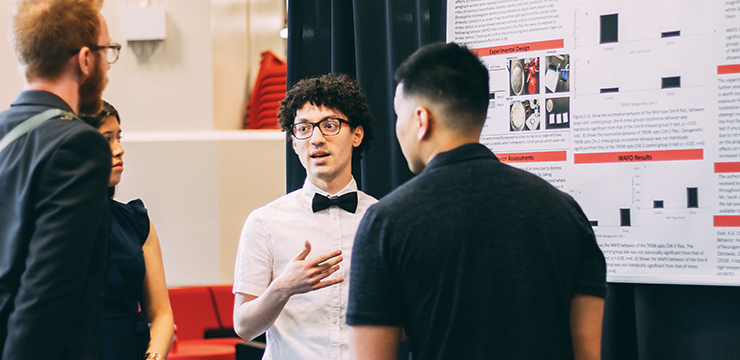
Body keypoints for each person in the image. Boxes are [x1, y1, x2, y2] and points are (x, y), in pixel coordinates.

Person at [346, 42, 607, 360]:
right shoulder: (566, 212)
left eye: (399, 115)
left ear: (421, 120)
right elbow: (588, 353)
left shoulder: (385, 222)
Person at [0, 1, 116, 359]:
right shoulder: (78, 145)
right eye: (107, 52)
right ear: (84, 59)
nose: (109, 69)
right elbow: (46, 297)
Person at [233, 73, 377, 359]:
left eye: (330, 125)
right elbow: (243, 326)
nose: (316, 139)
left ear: (356, 135)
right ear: (294, 142)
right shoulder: (264, 222)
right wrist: (283, 288)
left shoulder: (382, 219)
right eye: (303, 128)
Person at [80, 102, 174, 360]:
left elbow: (161, 314)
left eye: (119, 137)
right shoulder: (48, 222)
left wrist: (153, 357)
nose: (119, 150)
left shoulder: (135, 221)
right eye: (106, 139)